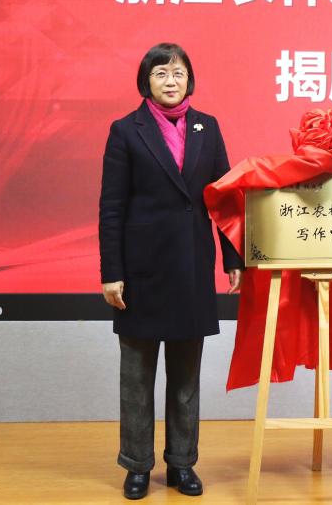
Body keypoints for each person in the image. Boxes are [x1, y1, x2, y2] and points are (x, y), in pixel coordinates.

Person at [99, 42, 243, 500]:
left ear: (189, 80)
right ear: (146, 81)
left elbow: (223, 198)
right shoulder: (126, 130)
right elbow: (111, 207)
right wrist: (111, 271)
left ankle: (182, 463)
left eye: (178, 72)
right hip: (140, 271)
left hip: (190, 266)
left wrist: (233, 259)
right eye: (161, 73)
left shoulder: (207, 127)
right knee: (137, 377)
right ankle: (137, 464)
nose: (171, 80)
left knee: (185, 377)